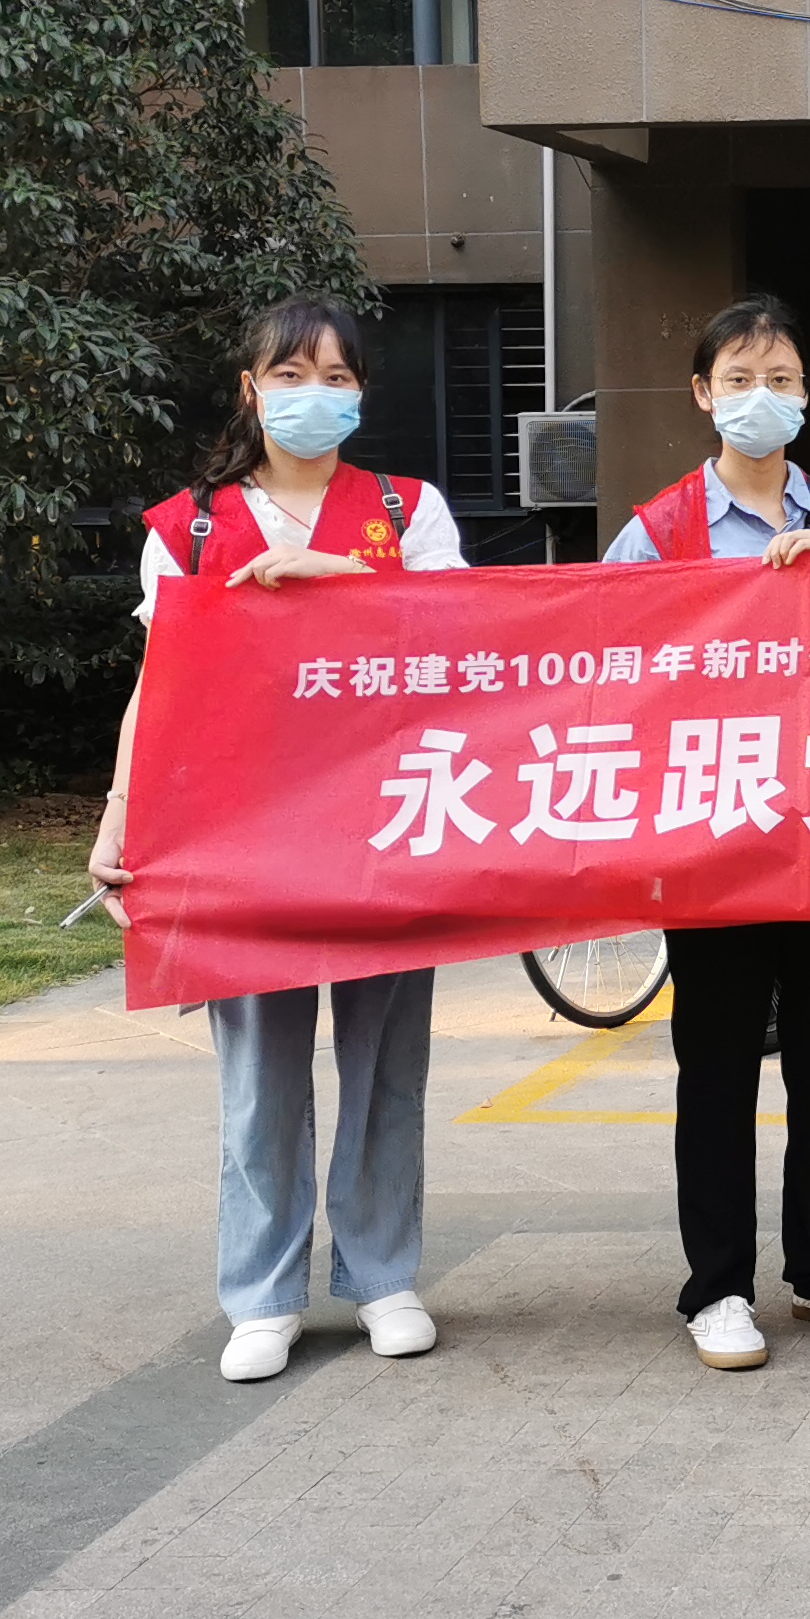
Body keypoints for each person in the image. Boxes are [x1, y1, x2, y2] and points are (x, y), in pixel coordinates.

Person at [88, 296, 467, 1384]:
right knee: (259, 1073)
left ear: (363, 394)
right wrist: (119, 816)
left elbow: (463, 644)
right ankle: (262, 1295)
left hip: (390, 822)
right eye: (292, 375)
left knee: (387, 1065)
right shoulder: (191, 528)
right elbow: (160, 684)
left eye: (338, 377)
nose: (315, 396)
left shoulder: (408, 510)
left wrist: (339, 580)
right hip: (242, 833)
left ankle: (384, 1276)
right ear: (251, 390)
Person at [602, 292, 810, 1371]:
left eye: (779, 380)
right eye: (739, 380)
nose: (760, 398)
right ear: (702, 394)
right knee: (719, 1067)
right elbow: (609, 664)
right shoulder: (658, 530)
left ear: (806, 395)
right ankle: (717, 1286)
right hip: (715, 834)